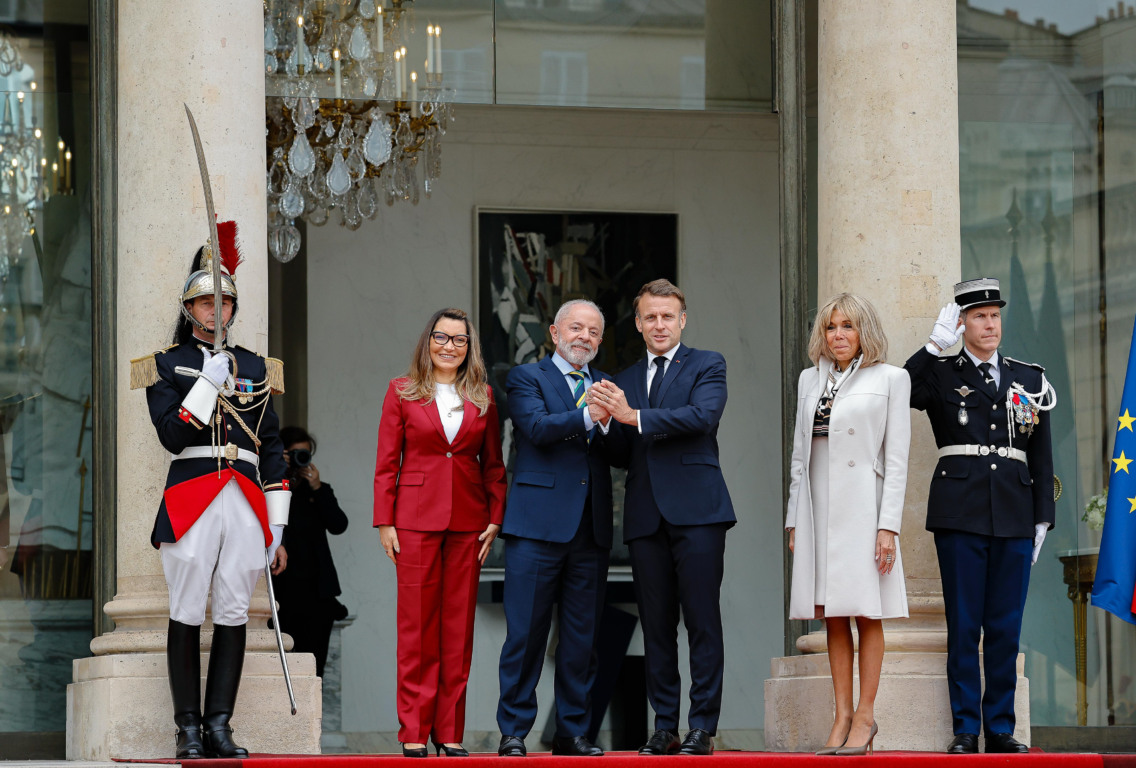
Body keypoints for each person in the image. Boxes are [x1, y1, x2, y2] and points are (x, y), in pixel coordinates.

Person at [130, 221, 290, 759]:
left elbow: (270, 446)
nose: (215, 312)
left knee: (234, 611)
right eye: (205, 304)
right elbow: (173, 436)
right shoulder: (165, 364)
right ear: (189, 309)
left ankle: (219, 724)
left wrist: (278, 523)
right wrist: (206, 382)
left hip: (245, 498)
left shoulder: (257, 367)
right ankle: (188, 729)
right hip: (193, 493)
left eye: (224, 304)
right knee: (186, 607)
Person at [905, 278, 1055, 755]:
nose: (989, 325)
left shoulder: (1029, 377)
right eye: (978, 317)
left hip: (1013, 510)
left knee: (1006, 627)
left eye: (994, 315)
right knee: (965, 626)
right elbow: (902, 389)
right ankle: (966, 729)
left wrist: (1042, 517)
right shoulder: (941, 374)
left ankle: (1002, 729)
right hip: (960, 512)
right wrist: (932, 346)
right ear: (962, 323)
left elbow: (1042, 454)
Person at [589, 279, 734, 756]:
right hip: (646, 514)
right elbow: (619, 453)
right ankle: (665, 726)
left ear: (682, 320)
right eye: (650, 317)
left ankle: (701, 728)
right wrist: (607, 423)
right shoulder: (622, 378)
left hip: (698, 513)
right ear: (638, 322)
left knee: (701, 622)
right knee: (655, 627)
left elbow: (702, 417)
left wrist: (632, 417)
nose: (658, 324)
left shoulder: (707, 363)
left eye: (667, 316)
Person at [374, 308, 507, 758]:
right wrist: (385, 521)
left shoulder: (483, 395)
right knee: (416, 630)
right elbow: (386, 463)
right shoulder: (401, 392)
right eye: (441, 337)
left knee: (457, 631)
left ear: (470, 348)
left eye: (459, 340)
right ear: (427, 341)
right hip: (413, 521)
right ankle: (414, 728)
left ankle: (449, 730)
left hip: (469, 523)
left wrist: (495, 517)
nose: (449, 346)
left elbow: (493, 465)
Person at [784, 293, 911, 756]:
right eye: (832, 327)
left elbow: (896, 460)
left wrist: (888, 526)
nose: (838, 335)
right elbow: (801, 454)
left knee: (865, 610)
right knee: (832, 612)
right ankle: (840, 715)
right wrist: (794, 516)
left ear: (864, 332)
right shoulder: (808, 379)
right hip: (818, 507)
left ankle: (865, 716)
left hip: (864, 506)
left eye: (848, 327)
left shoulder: (893, 379)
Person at [496, 299, 618, 758]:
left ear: (600, 340)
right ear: (554, 332)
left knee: (582, 640)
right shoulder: (527, 378)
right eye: (575, 328)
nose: (583, 337)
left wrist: (613, 422)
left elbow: (623, 447)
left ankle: (572, 731)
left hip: (590, 529)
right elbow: (536, 428)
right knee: (524, 635)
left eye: (592, 331)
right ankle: (514, 731)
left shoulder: (608, 386)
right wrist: (593, 416)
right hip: (535, 527)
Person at [271, 426, 349, 678]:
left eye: (304, 454)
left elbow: (339, 525)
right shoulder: (273, 490)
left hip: (317, 597)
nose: (299, 459)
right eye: (293, 454)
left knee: (315, 671)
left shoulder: (318, 491)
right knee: (282, 672)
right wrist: (278, 470)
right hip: (284, 593)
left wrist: (317, 488)